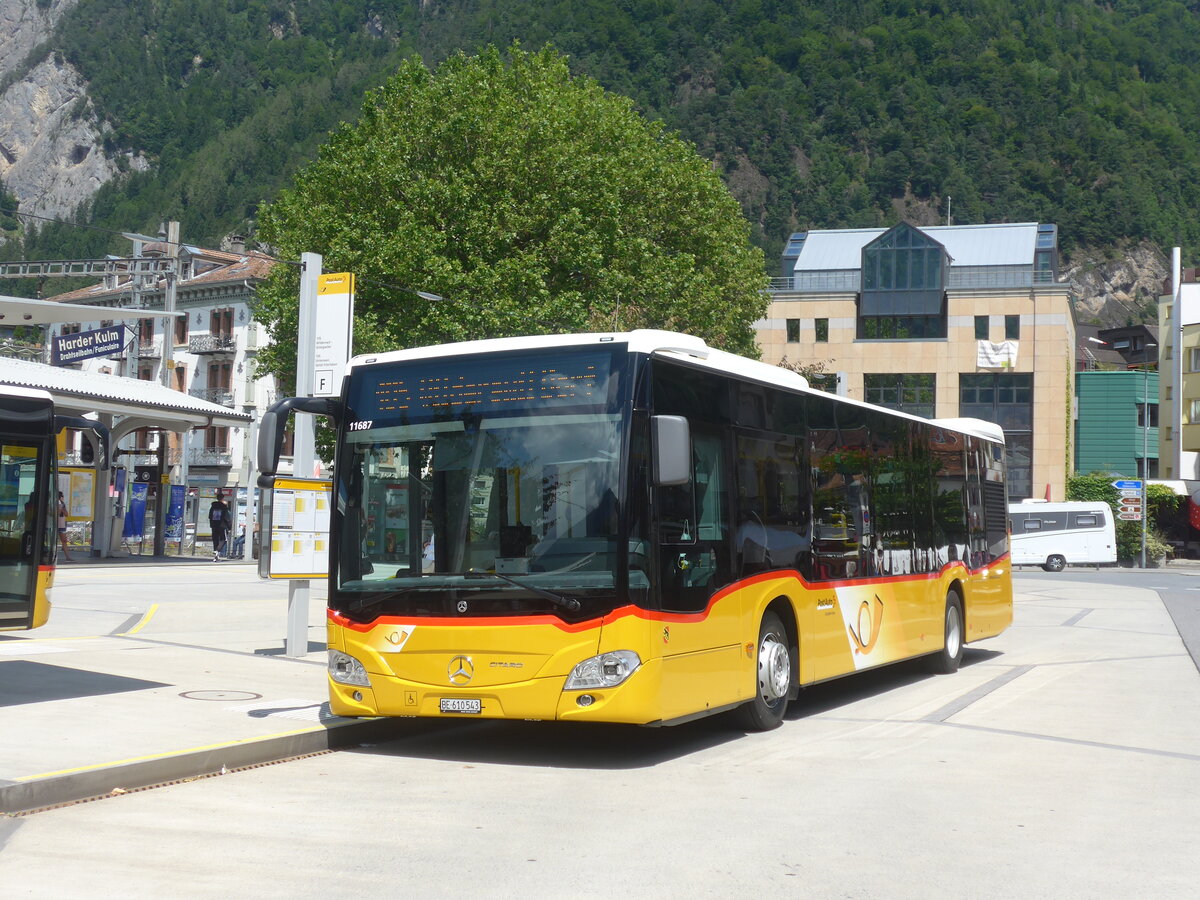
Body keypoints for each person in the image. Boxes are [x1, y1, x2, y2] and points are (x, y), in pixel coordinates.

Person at [208, 492, 231, 562]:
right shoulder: (224, 507)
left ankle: (216, 554)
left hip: (214, 525)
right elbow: (227, 517)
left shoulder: (212, 507)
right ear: (222, 498)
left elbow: (210, 516)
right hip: (222, 526)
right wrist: (229, 527)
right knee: (223, 539)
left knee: (215, 540)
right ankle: (217, 551)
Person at [57, 492, 71, 561]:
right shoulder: (55, 503)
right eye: (61, 496)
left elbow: (66, 514)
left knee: (64, 540)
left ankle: (68, 557)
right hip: (55, 524)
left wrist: (62, 508)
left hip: (61, 524)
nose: (63, 498)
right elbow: (58, 513)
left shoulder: (63, 504)